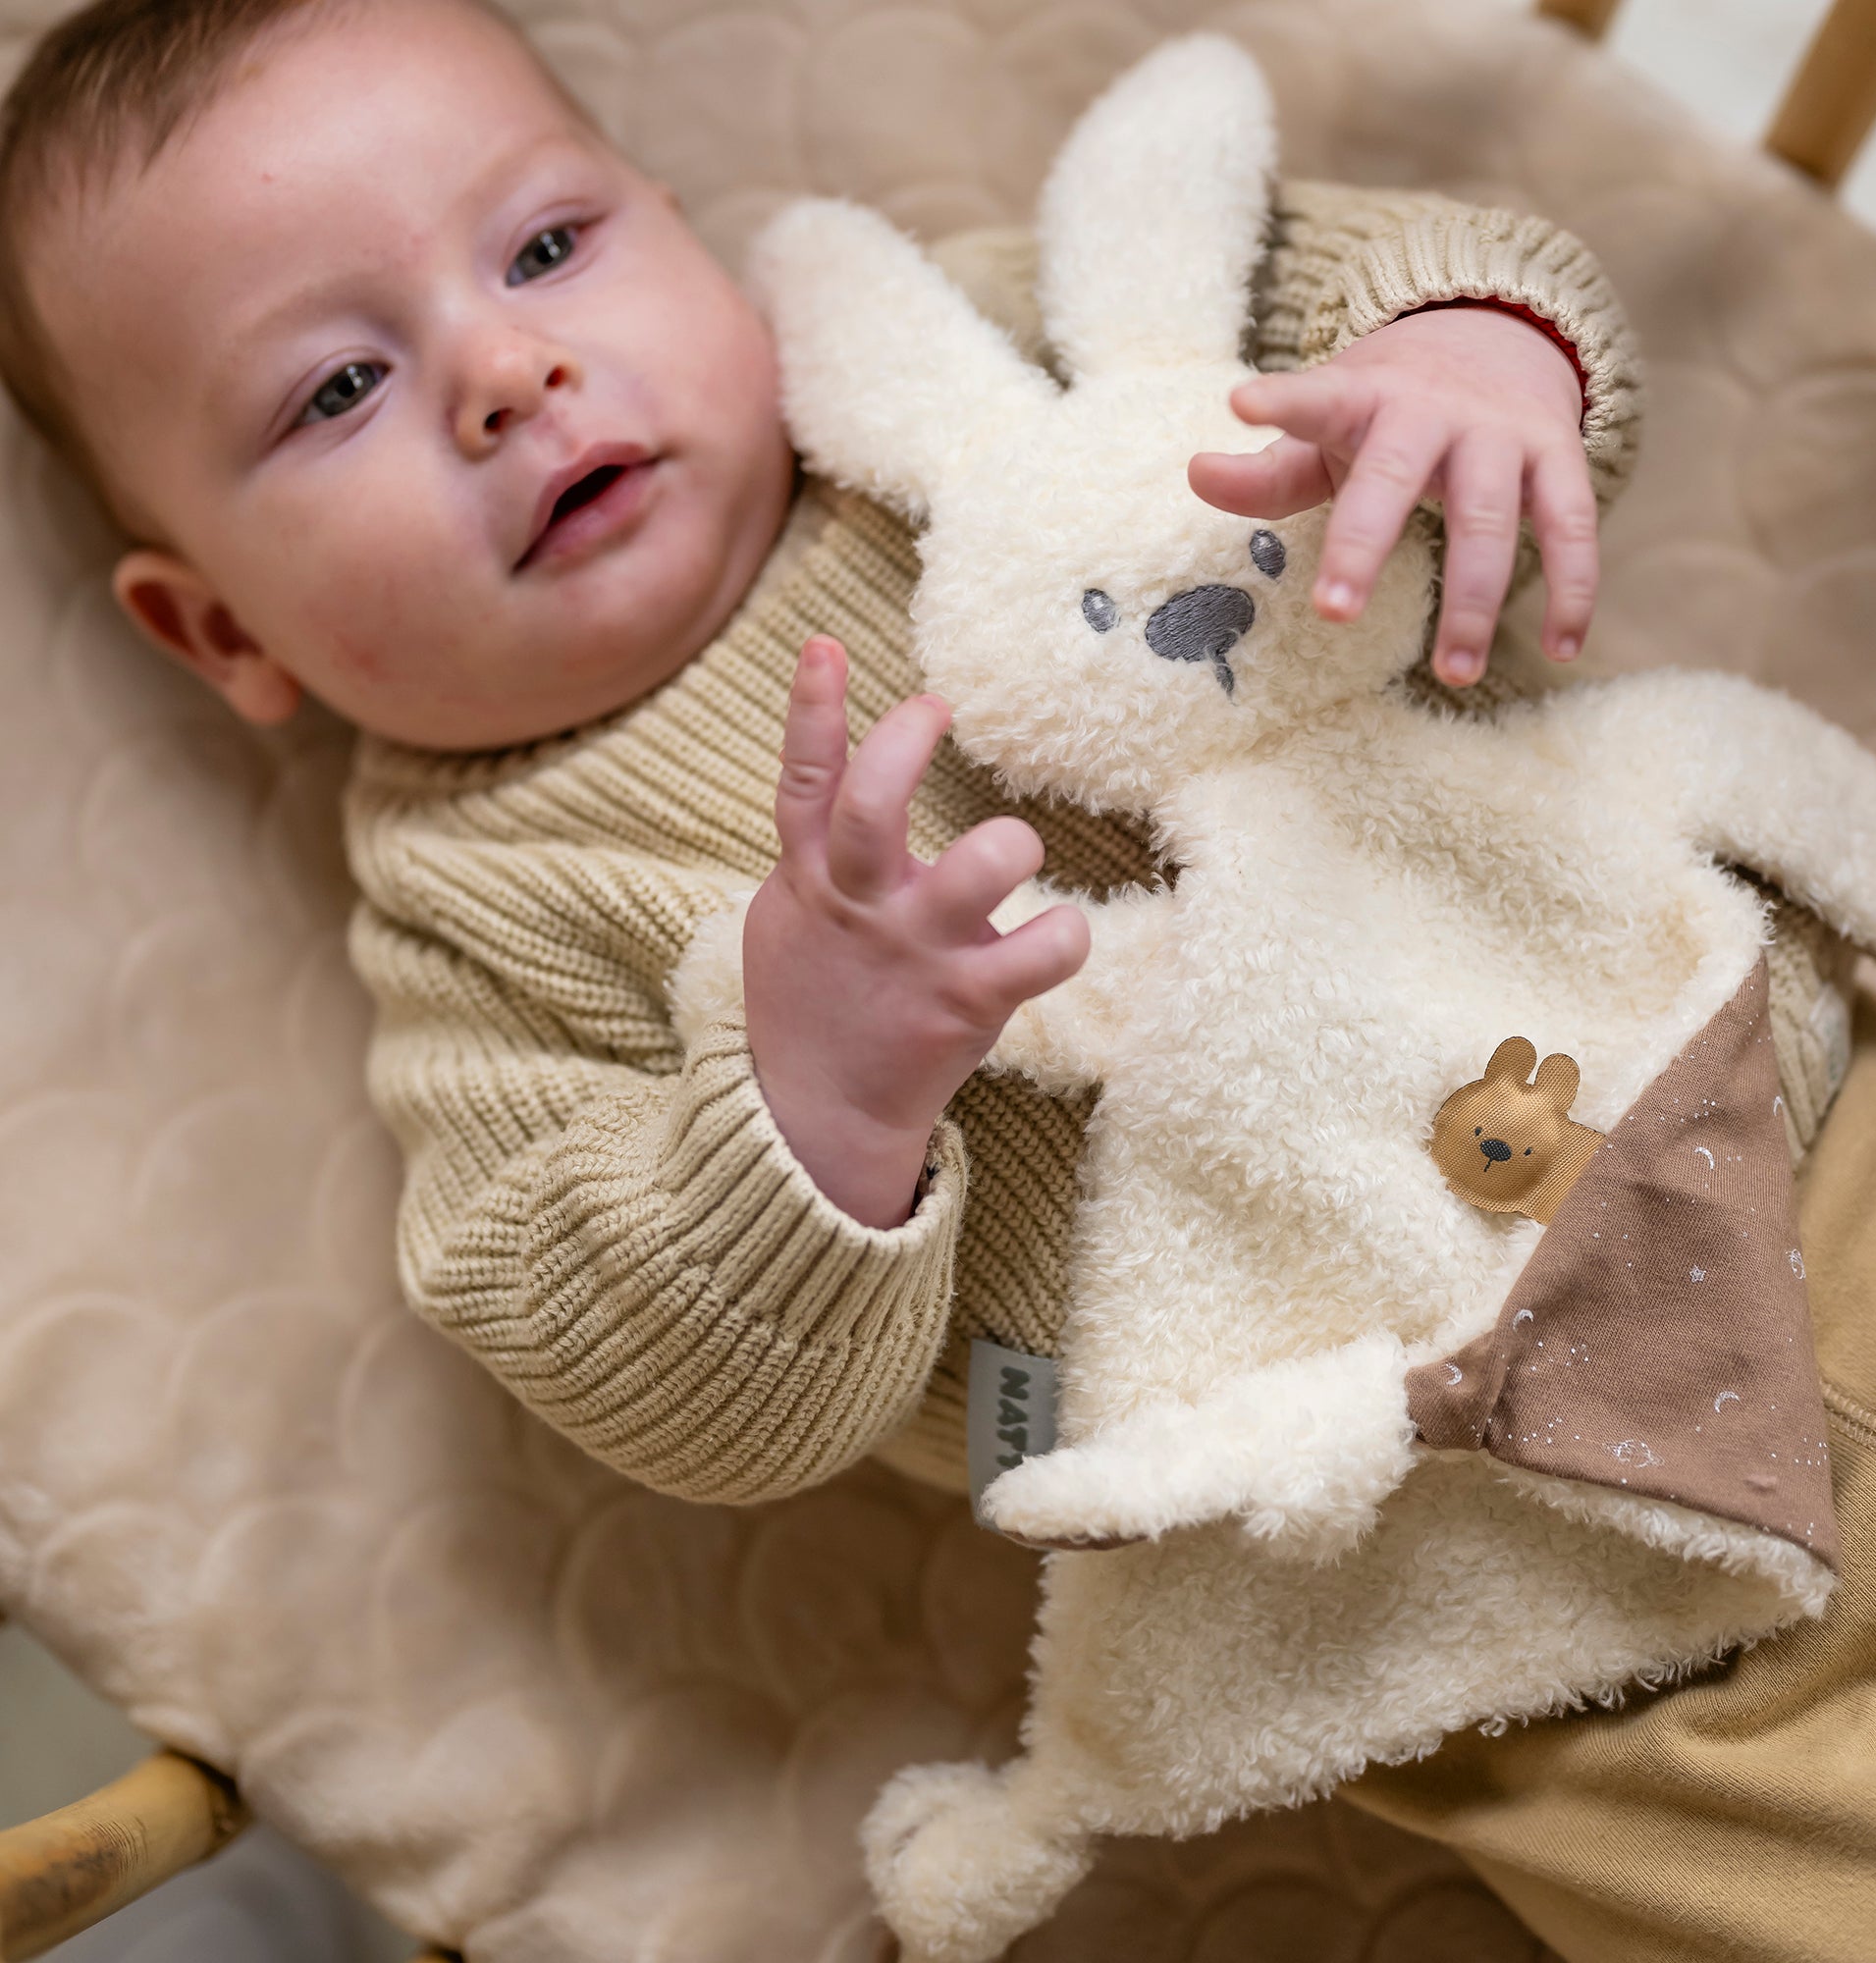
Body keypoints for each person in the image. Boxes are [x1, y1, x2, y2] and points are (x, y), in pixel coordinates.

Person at [0, 0, 1638, 1501]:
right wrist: (818, 1102)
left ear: (672, 219)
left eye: (549, 245)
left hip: (1687, 1048)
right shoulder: (477, 919)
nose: (508, 374)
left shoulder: (946, 350)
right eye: (342, 385)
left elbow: (1315, 271)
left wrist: (1468, 355)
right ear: (222, 633)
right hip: (1385, 1518)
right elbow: (653, 1387)